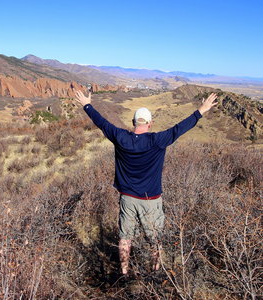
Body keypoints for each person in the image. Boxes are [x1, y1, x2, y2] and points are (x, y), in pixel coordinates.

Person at [74, 90, 218, 275]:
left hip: (127, 198)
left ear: (134, 123)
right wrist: (201, 110)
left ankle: (124, 272)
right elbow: (179, 128)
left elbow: (101, 123)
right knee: (154, 238)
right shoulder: (157, 140)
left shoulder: (120, 137)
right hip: (151, 199)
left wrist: (87, 105)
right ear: (150, 124)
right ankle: (155, 271)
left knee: (125, 238)